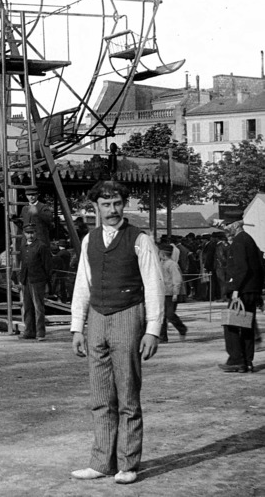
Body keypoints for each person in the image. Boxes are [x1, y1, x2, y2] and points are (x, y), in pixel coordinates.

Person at [70, 180, 164, 485]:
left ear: (124, 204)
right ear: (95, 207)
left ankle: (127, 463)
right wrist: (76, 328)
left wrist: (152, 330)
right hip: (97, 316)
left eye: (117, 203)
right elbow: (82, 284)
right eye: (105, 204)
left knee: (127, 394)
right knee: (100, 396)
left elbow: (154, 286)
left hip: (128, 315)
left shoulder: (139, 239)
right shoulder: (89, 240)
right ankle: (101, 462)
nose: (112, 210)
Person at [221, 221, 264, 373]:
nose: (226, 229)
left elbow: (241, 268)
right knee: (247, 327)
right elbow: (259, 264)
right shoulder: (248, 239)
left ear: (235, 225)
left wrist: (235, 289)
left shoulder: (238, 242)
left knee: (231, 326)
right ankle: (247, 362)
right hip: (251, 290)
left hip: (242, 291)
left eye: (228, 226)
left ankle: (236, 360)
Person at [19, 223, 52, 341]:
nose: (30, 235)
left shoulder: (41, 246)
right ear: (24, 234)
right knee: (27, 306)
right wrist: (21, 279)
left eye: (32, 233)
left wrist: (47, 282)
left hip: (38, 280)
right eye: (28, 233)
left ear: (36, 233)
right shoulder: (23, 247)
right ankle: (29, 331)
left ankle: (40, 333)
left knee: (38, 307)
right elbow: (23, 264)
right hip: (26, 279)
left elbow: (47, 265)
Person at [157, 243, 187, 343]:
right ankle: (162, 337)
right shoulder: (160, 263)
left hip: (171, 293)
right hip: (162, 293)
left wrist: (175, 293)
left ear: (163, 254)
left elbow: (176, 279)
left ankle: (182, 328)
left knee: (170, 314)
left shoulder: (172, 264)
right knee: (162, 315)